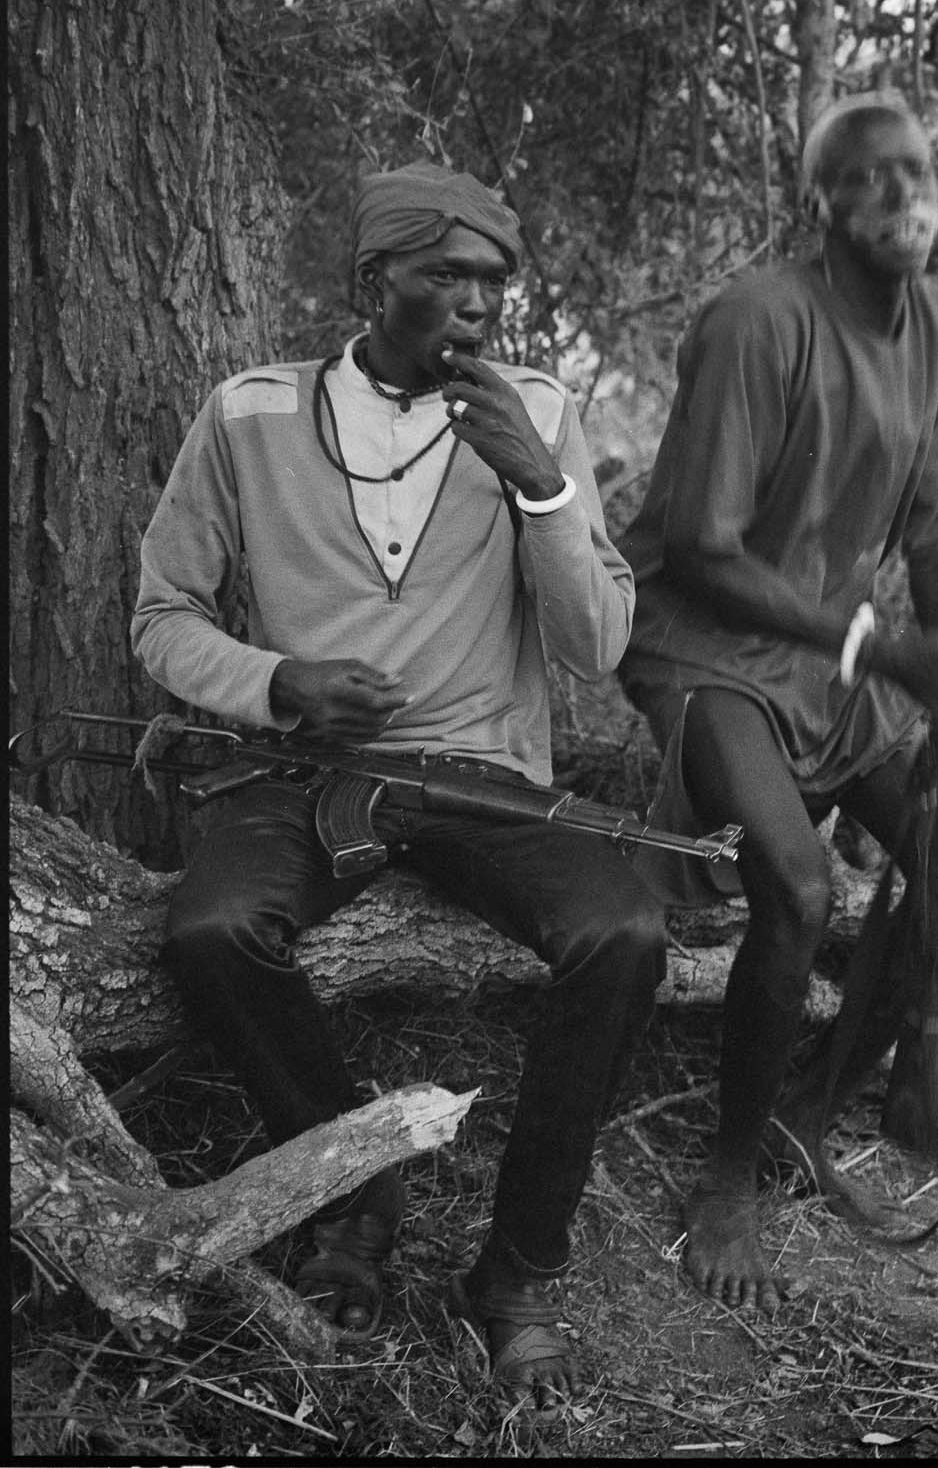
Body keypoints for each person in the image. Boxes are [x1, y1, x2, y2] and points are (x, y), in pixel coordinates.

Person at [131, 161, 667, 1404]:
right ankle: (356, 1197)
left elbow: (596, 646)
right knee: (213, 929)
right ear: (372, 282)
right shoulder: (252, 413)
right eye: (445, 277)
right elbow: (161, 615)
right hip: (303, 766)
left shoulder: (537, 411)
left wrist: (540, 482)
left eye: (493, 282)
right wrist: (279, 679)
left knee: (624, 927)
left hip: (483, 774)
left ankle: (519, 1273)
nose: (477, 305)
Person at [616, 92, 938, 1314]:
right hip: (703, 643)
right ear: (822, 202)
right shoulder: (757, 318)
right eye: (872, 177)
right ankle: (728, 1172)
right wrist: (886, 651)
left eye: (920, 172)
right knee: (794, 882)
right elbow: (699, 542)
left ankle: (816, 1100)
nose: (904, 195)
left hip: (837, 659)